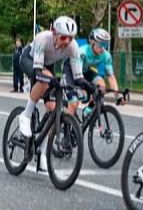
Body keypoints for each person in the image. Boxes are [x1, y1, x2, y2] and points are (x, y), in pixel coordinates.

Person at [17, 16, 83, 172]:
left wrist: (89, 88)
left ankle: (42, 153)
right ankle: (25, 115)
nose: (67, 42)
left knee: (54, 109)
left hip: (48, 65)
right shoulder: (42, 39)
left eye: (71, 38)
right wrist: (51, 80)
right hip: (29, 60)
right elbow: (38, 71)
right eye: (64, 37)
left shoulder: (72, 47)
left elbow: (78, 77)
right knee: (46, 79)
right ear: (54, 33)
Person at [66, 28, 125, 115]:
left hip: (85, 71)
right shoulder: (82, 52)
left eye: (106, 45)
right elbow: (78, 78)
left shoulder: (105, 55)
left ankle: (89, 109)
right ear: (92, 42)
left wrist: (118, 96)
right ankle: (66, 124)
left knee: (101, 85)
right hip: (71, 72)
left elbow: (110, 76)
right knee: (74, 103)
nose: (103, 48)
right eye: (100, 44)